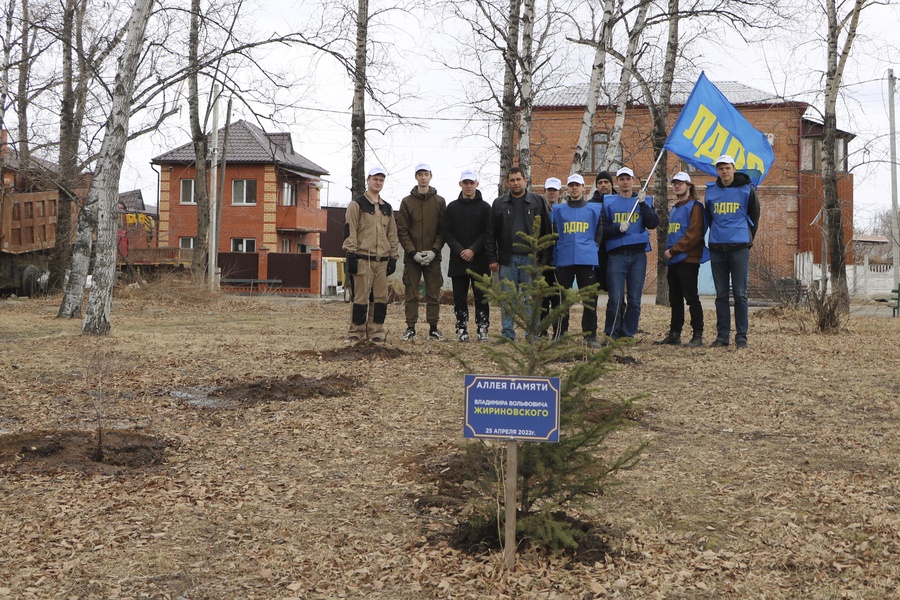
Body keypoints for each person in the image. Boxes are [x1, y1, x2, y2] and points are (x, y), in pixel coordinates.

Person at [486, 167, 552, 341]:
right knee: (508, 298)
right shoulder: (498, 204)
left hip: (532, 259)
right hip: (507, 259)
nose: (515, 183)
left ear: (525, 180)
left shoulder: (538, 202)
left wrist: (544, 259)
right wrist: (492, 258)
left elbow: (547, 231)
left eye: (518, 179)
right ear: (507, 183)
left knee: (531, 298)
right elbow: (490, 234)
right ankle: (507, 334)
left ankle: (532, 334)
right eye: (512, 180)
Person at [706, 154, 760, 349]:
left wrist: (746, 237)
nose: (724, 171)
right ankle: (722, 336)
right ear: (717, 171)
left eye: (727, 168)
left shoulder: (747, 189)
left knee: (740, 294)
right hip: (717, 248)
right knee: (721, 295)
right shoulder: (710, 192)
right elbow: (709, 217)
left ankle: (741, 337)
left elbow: (755, 216)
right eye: (720, 168)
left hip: (739, 247)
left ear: (733, 169)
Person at [600, 167, 659, 340]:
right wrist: (617, 229)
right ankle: (611, 333)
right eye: (621, 179)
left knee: (634, 299)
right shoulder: (608, 203)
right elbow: (603, 230)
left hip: (638, 255)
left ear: (633, 180)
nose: (625, 182)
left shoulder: (643, 201)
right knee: (615, 299)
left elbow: (652, 223)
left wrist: (642, 204)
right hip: (616, 255)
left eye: (628, 178)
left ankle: (627, 334)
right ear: (617, 182)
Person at [343, 166, 399, 344]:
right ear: (368, 180)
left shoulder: (387, 208)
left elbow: (392, 234)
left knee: (380, 299)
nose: (378, 182)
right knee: (360, 298)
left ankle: (376, 333)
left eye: (381, 180)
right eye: (375, 179)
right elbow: (350, 230)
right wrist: (351, 254)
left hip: (381, 261)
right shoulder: (357, 204)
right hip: (362, 259)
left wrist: (393, 257)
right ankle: (356, 333)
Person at [655, 172, 708, 347]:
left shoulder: (695, 207)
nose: (677, 186)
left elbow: (693, 234)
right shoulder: (675, 208)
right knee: (675, 299)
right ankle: (674, 333)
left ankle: (697, 334)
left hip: (688, 259)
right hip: (674, 260)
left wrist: (674, 251)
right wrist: (670, 258)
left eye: (680, 183)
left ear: (689, 185)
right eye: (675, 183)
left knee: (691, 298)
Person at [397, 162, 446, 341]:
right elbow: (401, 230)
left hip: (433, 257)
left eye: (426, 174)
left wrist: (434, 251)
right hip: (412, 258)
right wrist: (412, 253)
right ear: (416, 177)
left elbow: (443, 230)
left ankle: (433, 328)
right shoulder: (406, 202)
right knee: (411, 293)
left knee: (433, 292)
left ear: (431, 176)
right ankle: (410, 328)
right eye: (420, 174)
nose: (423, 177)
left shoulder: (439, 201)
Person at [551, 173, 602, 346]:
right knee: (561, 299)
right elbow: (554, 234)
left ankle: (590, 335)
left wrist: (593, 247)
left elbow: (599, 233)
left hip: (586, 259)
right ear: (567, 189)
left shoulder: (594, 209)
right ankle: (559, 333)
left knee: (589, 298)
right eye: (571, 185)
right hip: (564, 259)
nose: (574, 188)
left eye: (577, 185)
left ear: (584, 188)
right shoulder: (558, 210)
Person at [442, 169, 492, 342]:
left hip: (480, 260)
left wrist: (473, 250)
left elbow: (488, 232)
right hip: (458, 260)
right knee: (460, 297)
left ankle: (483, 328)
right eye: (466, 182)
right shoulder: (452, 207)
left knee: (482, 296)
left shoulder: (485, 207)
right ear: (460, 184)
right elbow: (446, 232)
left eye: (472, 182)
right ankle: (461, 327)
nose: (469, 186)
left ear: (477, 184)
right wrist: (459, 250)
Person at [540, 177, 563, 339]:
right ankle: (542, 331)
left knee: (557, 299)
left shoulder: (565, 212)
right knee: (542, 299)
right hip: (543, 262)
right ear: (545, 192)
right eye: (549, 190)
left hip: (560, 262)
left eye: (555, 190)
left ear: (560, 193)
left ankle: (558, 330)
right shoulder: (540, 213)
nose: (552, 193)